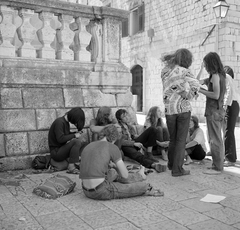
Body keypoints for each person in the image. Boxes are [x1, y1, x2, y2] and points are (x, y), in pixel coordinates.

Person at [80, 124, 164, 200]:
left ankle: (139, 175)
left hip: (86, 190)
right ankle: (145, 184)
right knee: (132, 187)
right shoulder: (112, 147)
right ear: (114, 138)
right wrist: (116, 166)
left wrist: (112, 166)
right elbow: (125, 175)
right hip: (100, 191)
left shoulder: (89, 145)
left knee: (112, 173)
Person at [161, 48, 200, 177]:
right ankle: (177, 170)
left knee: (172, 139)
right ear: (187, 60)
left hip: (169, 109)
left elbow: (171, 87)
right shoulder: (185, 71)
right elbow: (196, 85)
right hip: (183, 110)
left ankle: (171, 164)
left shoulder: (165, 72)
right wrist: (189, 95)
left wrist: (179, 89)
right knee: (180, 140)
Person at [197, 52, 226, 174]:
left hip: (214, 111)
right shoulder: (218, 75)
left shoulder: (214, 76)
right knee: (215, 139)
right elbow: (196, 81)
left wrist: (201, 91)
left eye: (206, 64)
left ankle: (217, 167)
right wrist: (200, 69)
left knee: (215, 140)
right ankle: (216, 164)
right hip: (217, 111)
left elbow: (215, 95)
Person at [115, 109, 167, 173]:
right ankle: (153, 165)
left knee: (152, 129)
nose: (127, 117)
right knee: (137, 155)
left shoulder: (129, 126)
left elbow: (134, 137)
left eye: (127, 115)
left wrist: (144, 136)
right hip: (126, 146)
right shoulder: (117, 128)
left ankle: (149, 153)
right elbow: (121, 141)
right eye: (124, 117)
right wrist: (134, 143)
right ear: (120, 120)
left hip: (134, 142)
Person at [48, 107, 85, 174]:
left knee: (82, 143)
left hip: (61, 149)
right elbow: (60, 139)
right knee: (76, 142)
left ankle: (76, 160)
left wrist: (75, 133)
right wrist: (74, 135)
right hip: (56, 152)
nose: (75, 124)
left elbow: (66, 135)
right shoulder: (59, 122)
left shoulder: (65, 123)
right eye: (76, 122)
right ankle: (72, 167)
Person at [223, 66, 240, 167]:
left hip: (230, 105)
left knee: (228, 131)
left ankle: (229, 158)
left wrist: (225, 105)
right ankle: (232, 156)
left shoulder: (226, 76)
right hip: (234, 105)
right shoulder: (232, 79)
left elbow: (229, 92)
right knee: (229, 131)